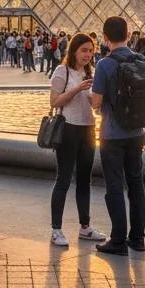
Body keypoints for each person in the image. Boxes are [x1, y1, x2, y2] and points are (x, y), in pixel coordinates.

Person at [90, 16, 145, 255]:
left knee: (115, 186)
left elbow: (96, 103)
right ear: (128, 35)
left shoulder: (105, 65)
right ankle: (137, 239)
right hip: (137, 133)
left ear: (105, 38)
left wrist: (89, 97)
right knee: (136, 185)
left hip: (112, 135)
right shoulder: (143, 61)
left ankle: (117, 240)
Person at [48, 32, 106, 248]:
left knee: (84, 180)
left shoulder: (90, 72)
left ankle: (85, 227)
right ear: (73, 50)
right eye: (84, 50)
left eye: (91, 51)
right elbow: (55, 101)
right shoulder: (62, 71)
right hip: (68, 128)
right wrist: (77, 89)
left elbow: (92, 104)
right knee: (63, 179)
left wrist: (98, 101)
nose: (88, 55)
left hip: (88, 129)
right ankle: (56, 229)